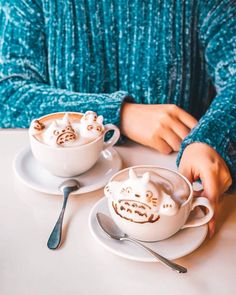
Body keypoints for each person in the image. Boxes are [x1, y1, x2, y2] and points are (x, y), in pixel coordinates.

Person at [0, 0, 235, 236]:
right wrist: (119, 115)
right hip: (53, 206)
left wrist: (215, 136)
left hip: (175, 211)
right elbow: (7, 91)